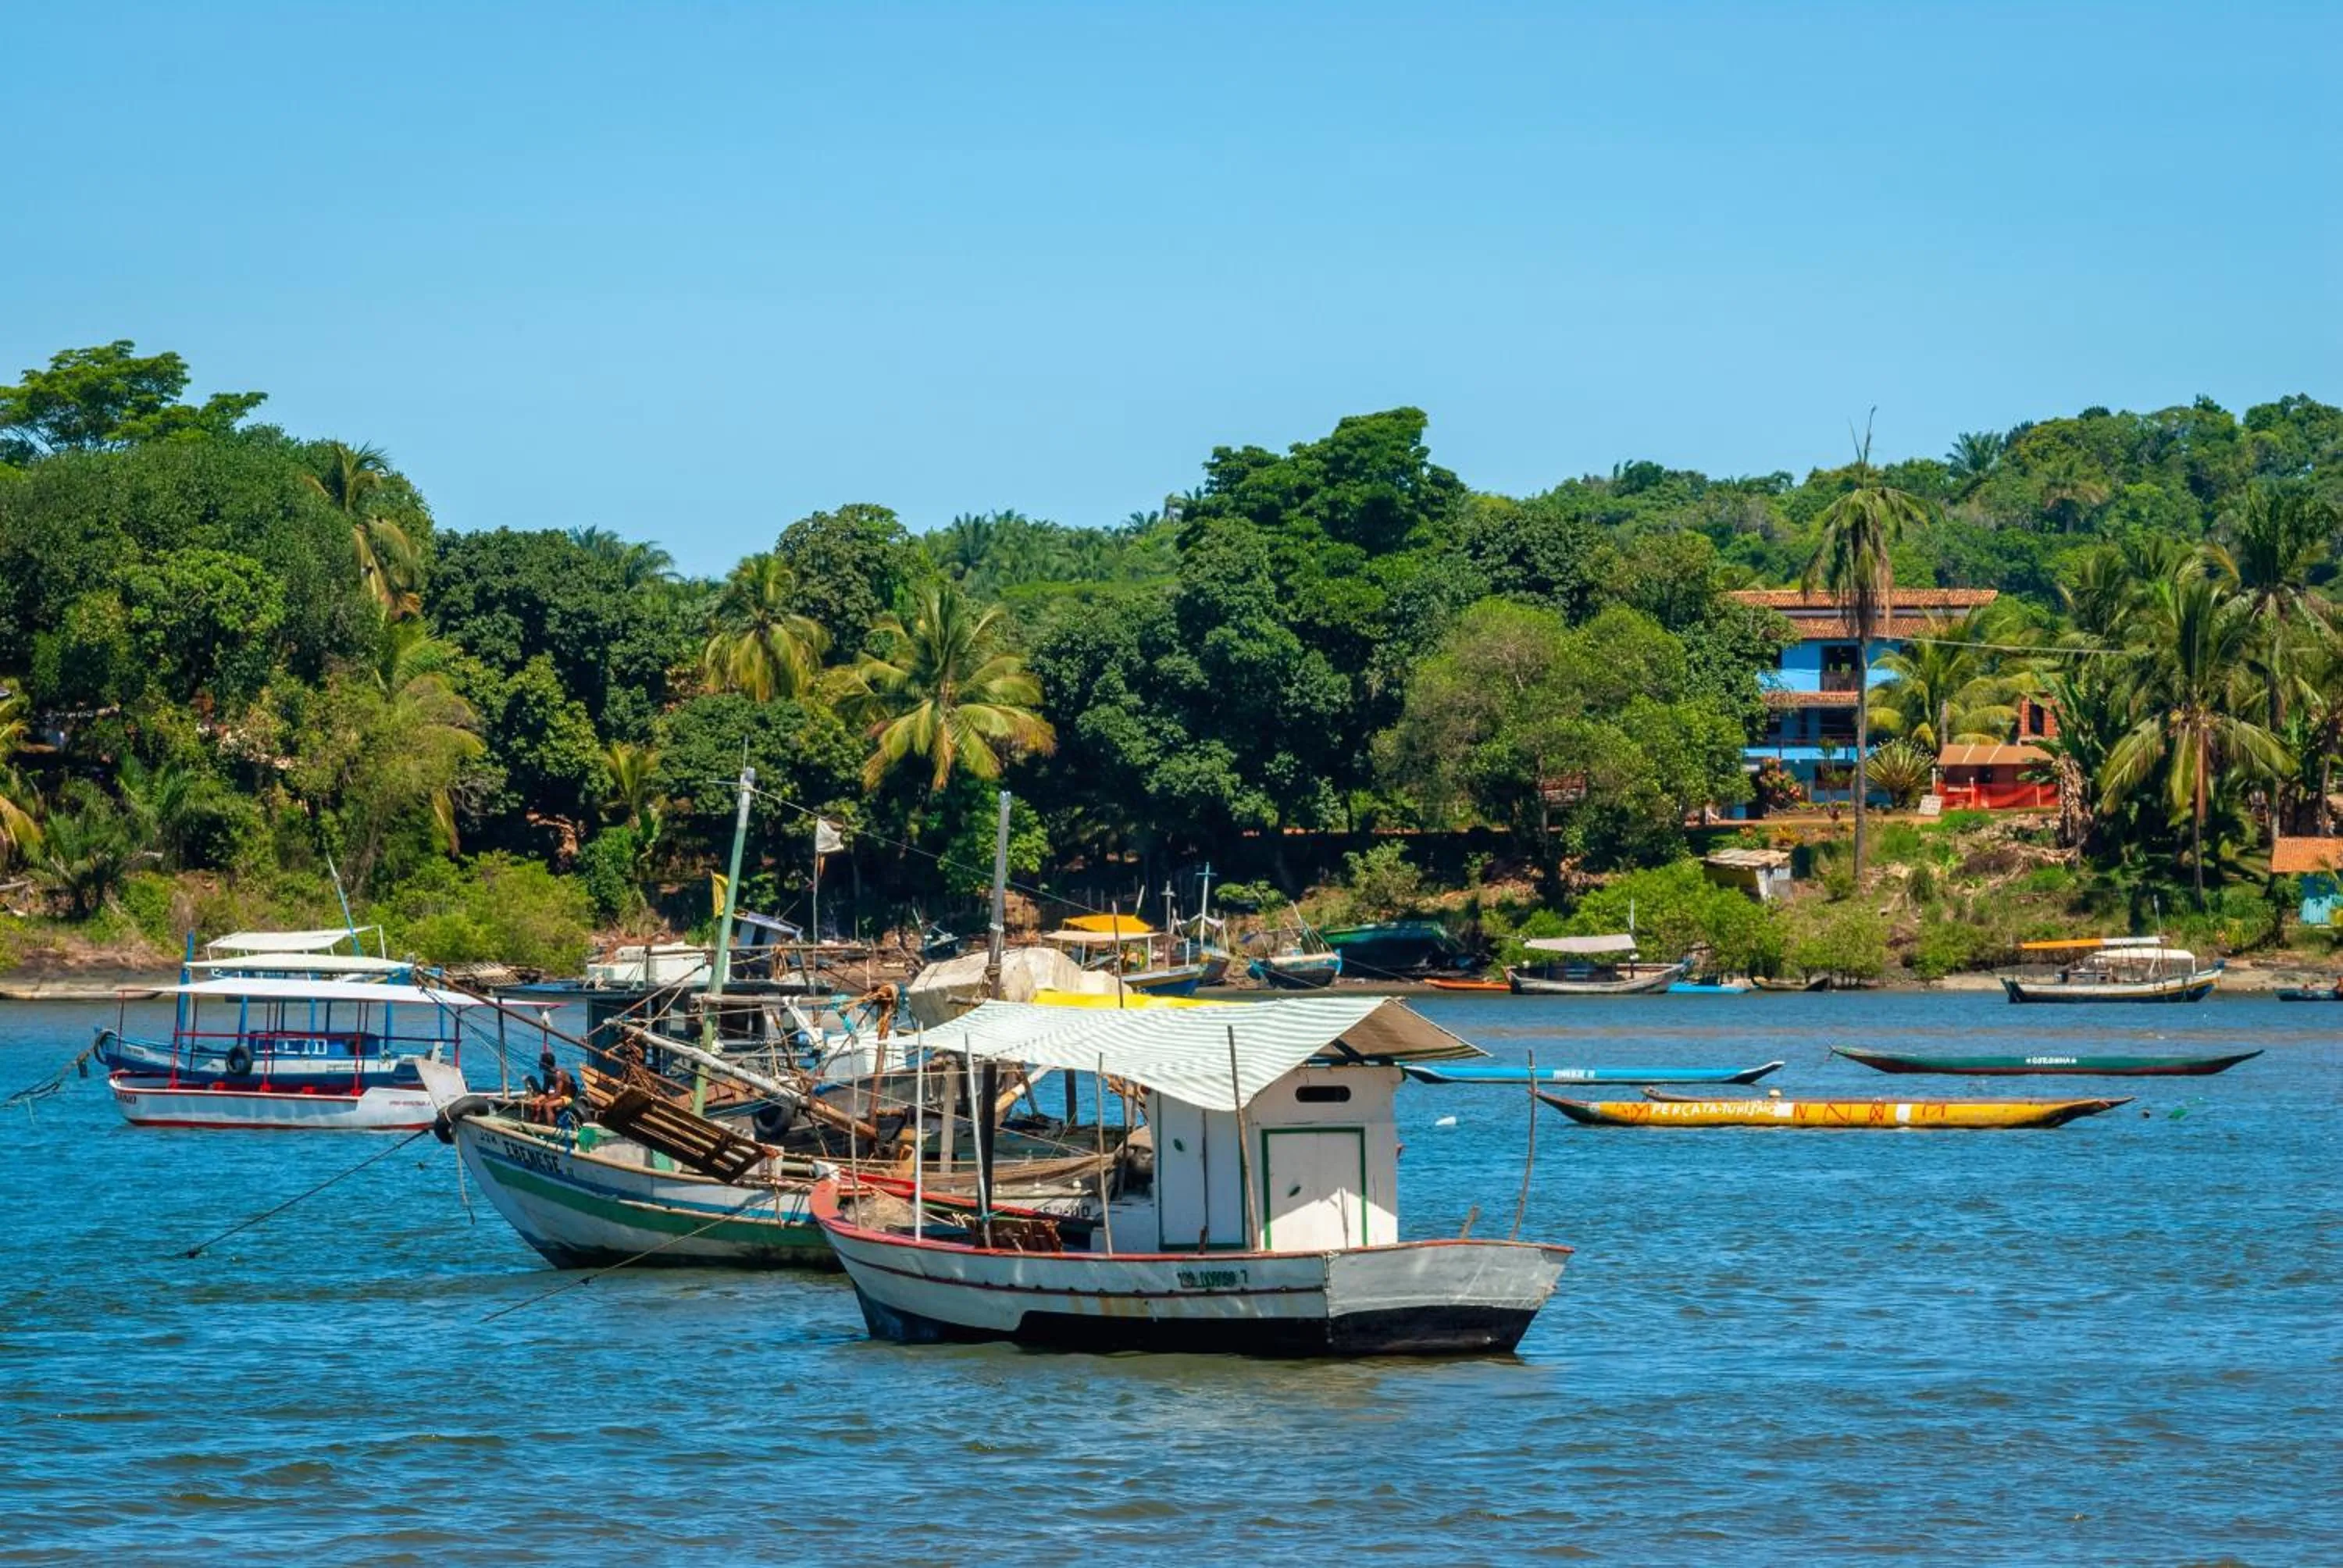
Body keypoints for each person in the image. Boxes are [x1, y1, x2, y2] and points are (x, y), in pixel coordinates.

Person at [526, 1049, 576, 1125]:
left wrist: (542, 1103)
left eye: (541, 1061)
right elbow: (545, 1093)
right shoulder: (547, 1074)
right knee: (533, 1103)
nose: (539, 1063)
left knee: (547, 1106)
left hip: (568, 1097)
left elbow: (557, 1094)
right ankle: (533, 1124)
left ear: (545, 1064)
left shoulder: (559, 1074)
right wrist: (537, 1100)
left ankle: (551, 1127)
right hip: (559, 1096)